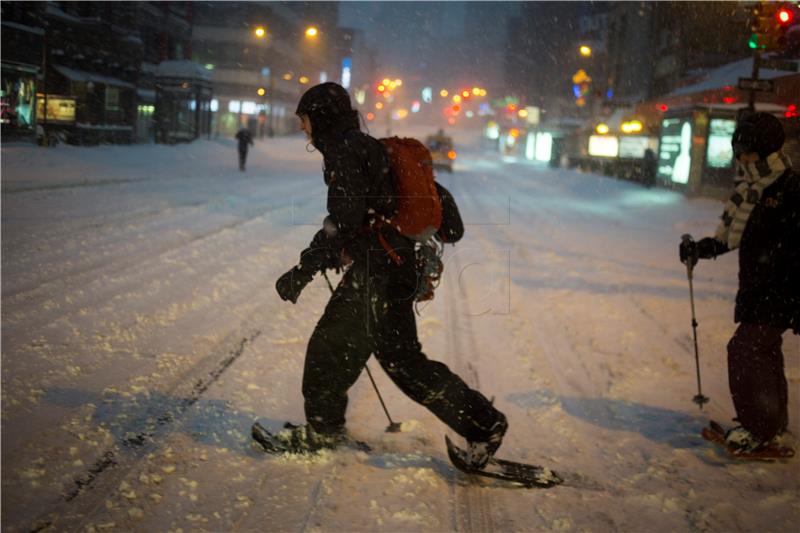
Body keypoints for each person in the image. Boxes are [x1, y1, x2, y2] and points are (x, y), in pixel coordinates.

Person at [273, 82, 507, 467]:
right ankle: (485, 424)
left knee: (329, 350)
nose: (302, 128)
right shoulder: (363, 147)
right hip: (395, 267)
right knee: (404, 362)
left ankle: (322, 431)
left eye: (305, 119)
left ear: (322, 117)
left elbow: (343, 223)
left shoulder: (347, 152)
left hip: (378, 272)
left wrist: (304, 269)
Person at [679, 112, 799, 453]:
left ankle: (760, 430)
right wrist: (700, 248)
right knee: (764, 353)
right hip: (757, 289)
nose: (742, 159)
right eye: (739, 152)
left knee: (745, 350)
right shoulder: (751, 191)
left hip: (780, 290)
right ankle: (772, 426)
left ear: (765, 149)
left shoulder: (789, 189)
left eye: (748, 151)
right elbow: (733, 238)